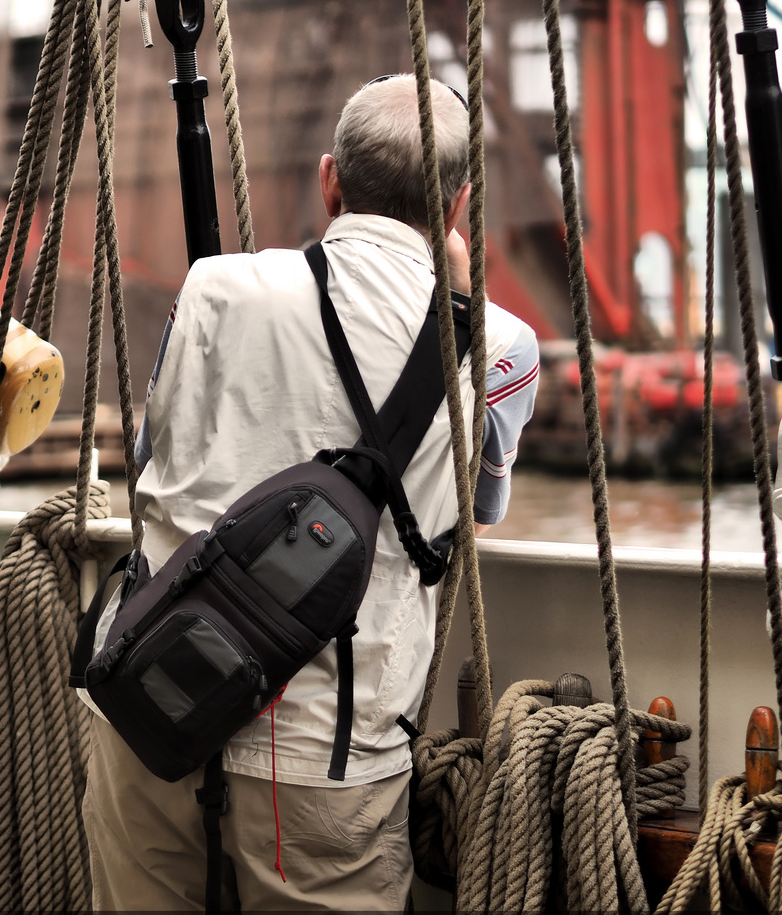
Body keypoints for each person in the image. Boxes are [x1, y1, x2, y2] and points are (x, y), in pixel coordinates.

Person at [81, 75, 540, 910]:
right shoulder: (501, 347)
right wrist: (459, 302)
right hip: (325, 756)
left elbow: (153, 458)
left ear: (331, 180)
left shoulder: (217, 286)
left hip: (153, 701)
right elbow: (473, 515)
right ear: (460, 201)